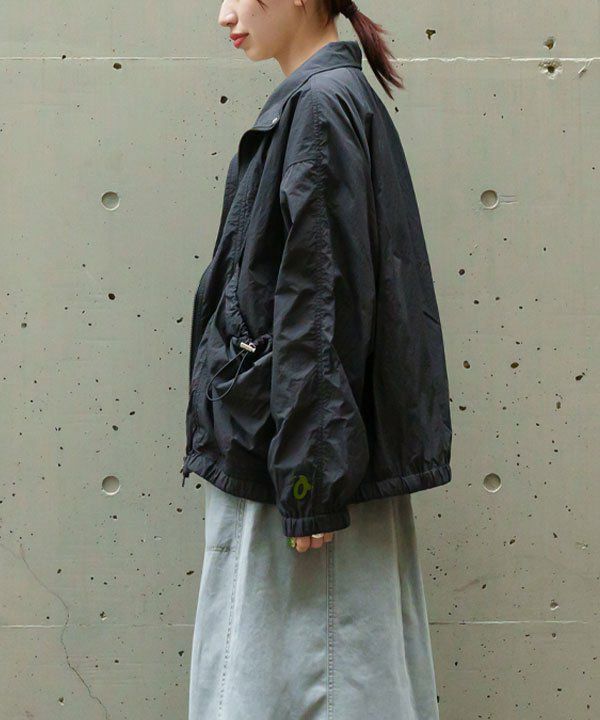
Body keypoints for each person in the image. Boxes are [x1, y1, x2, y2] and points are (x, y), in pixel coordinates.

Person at [183, 0, 453, 717]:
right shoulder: (324, 99)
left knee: (306, 680)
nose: (224, 15)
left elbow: (321, 298)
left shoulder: (321, 106)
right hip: (296, 448)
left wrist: (310, 483)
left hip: (299, 469)